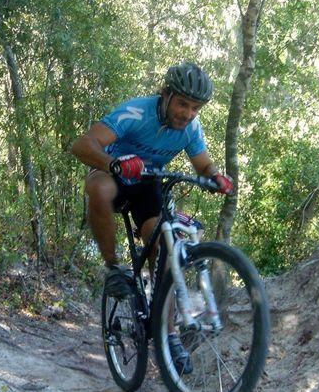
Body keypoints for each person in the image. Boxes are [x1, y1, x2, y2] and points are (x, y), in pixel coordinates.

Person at [71, 62, 233, 373]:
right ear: (166, 94)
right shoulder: (136, 112)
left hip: (148, 186)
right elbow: (82, 144)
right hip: (115, 173)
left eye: (195, 107)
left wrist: (215, 177)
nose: (187, 113)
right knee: (98, 188)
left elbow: (202, 164)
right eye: (183, 104)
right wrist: (115, 163)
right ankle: (114, 268)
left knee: (164, 248)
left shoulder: (190, 129)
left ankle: (167, 333)